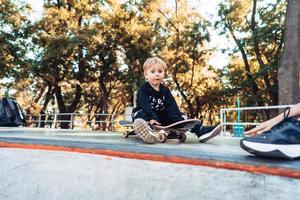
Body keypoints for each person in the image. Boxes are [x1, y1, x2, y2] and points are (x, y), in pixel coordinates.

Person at [132, 56, 222, 144]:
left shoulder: (165, 90)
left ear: (163, 73)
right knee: (140, 114)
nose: (157, 74)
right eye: (152, 71)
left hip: (159, 117)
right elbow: (145, 105)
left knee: (180, 116)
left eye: (160, 71)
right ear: (146, 75)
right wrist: (151, 117)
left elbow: (172, 106)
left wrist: (177, 119)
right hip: (146, 113)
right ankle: (148, 132)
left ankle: (201, 131)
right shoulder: (144, 89)